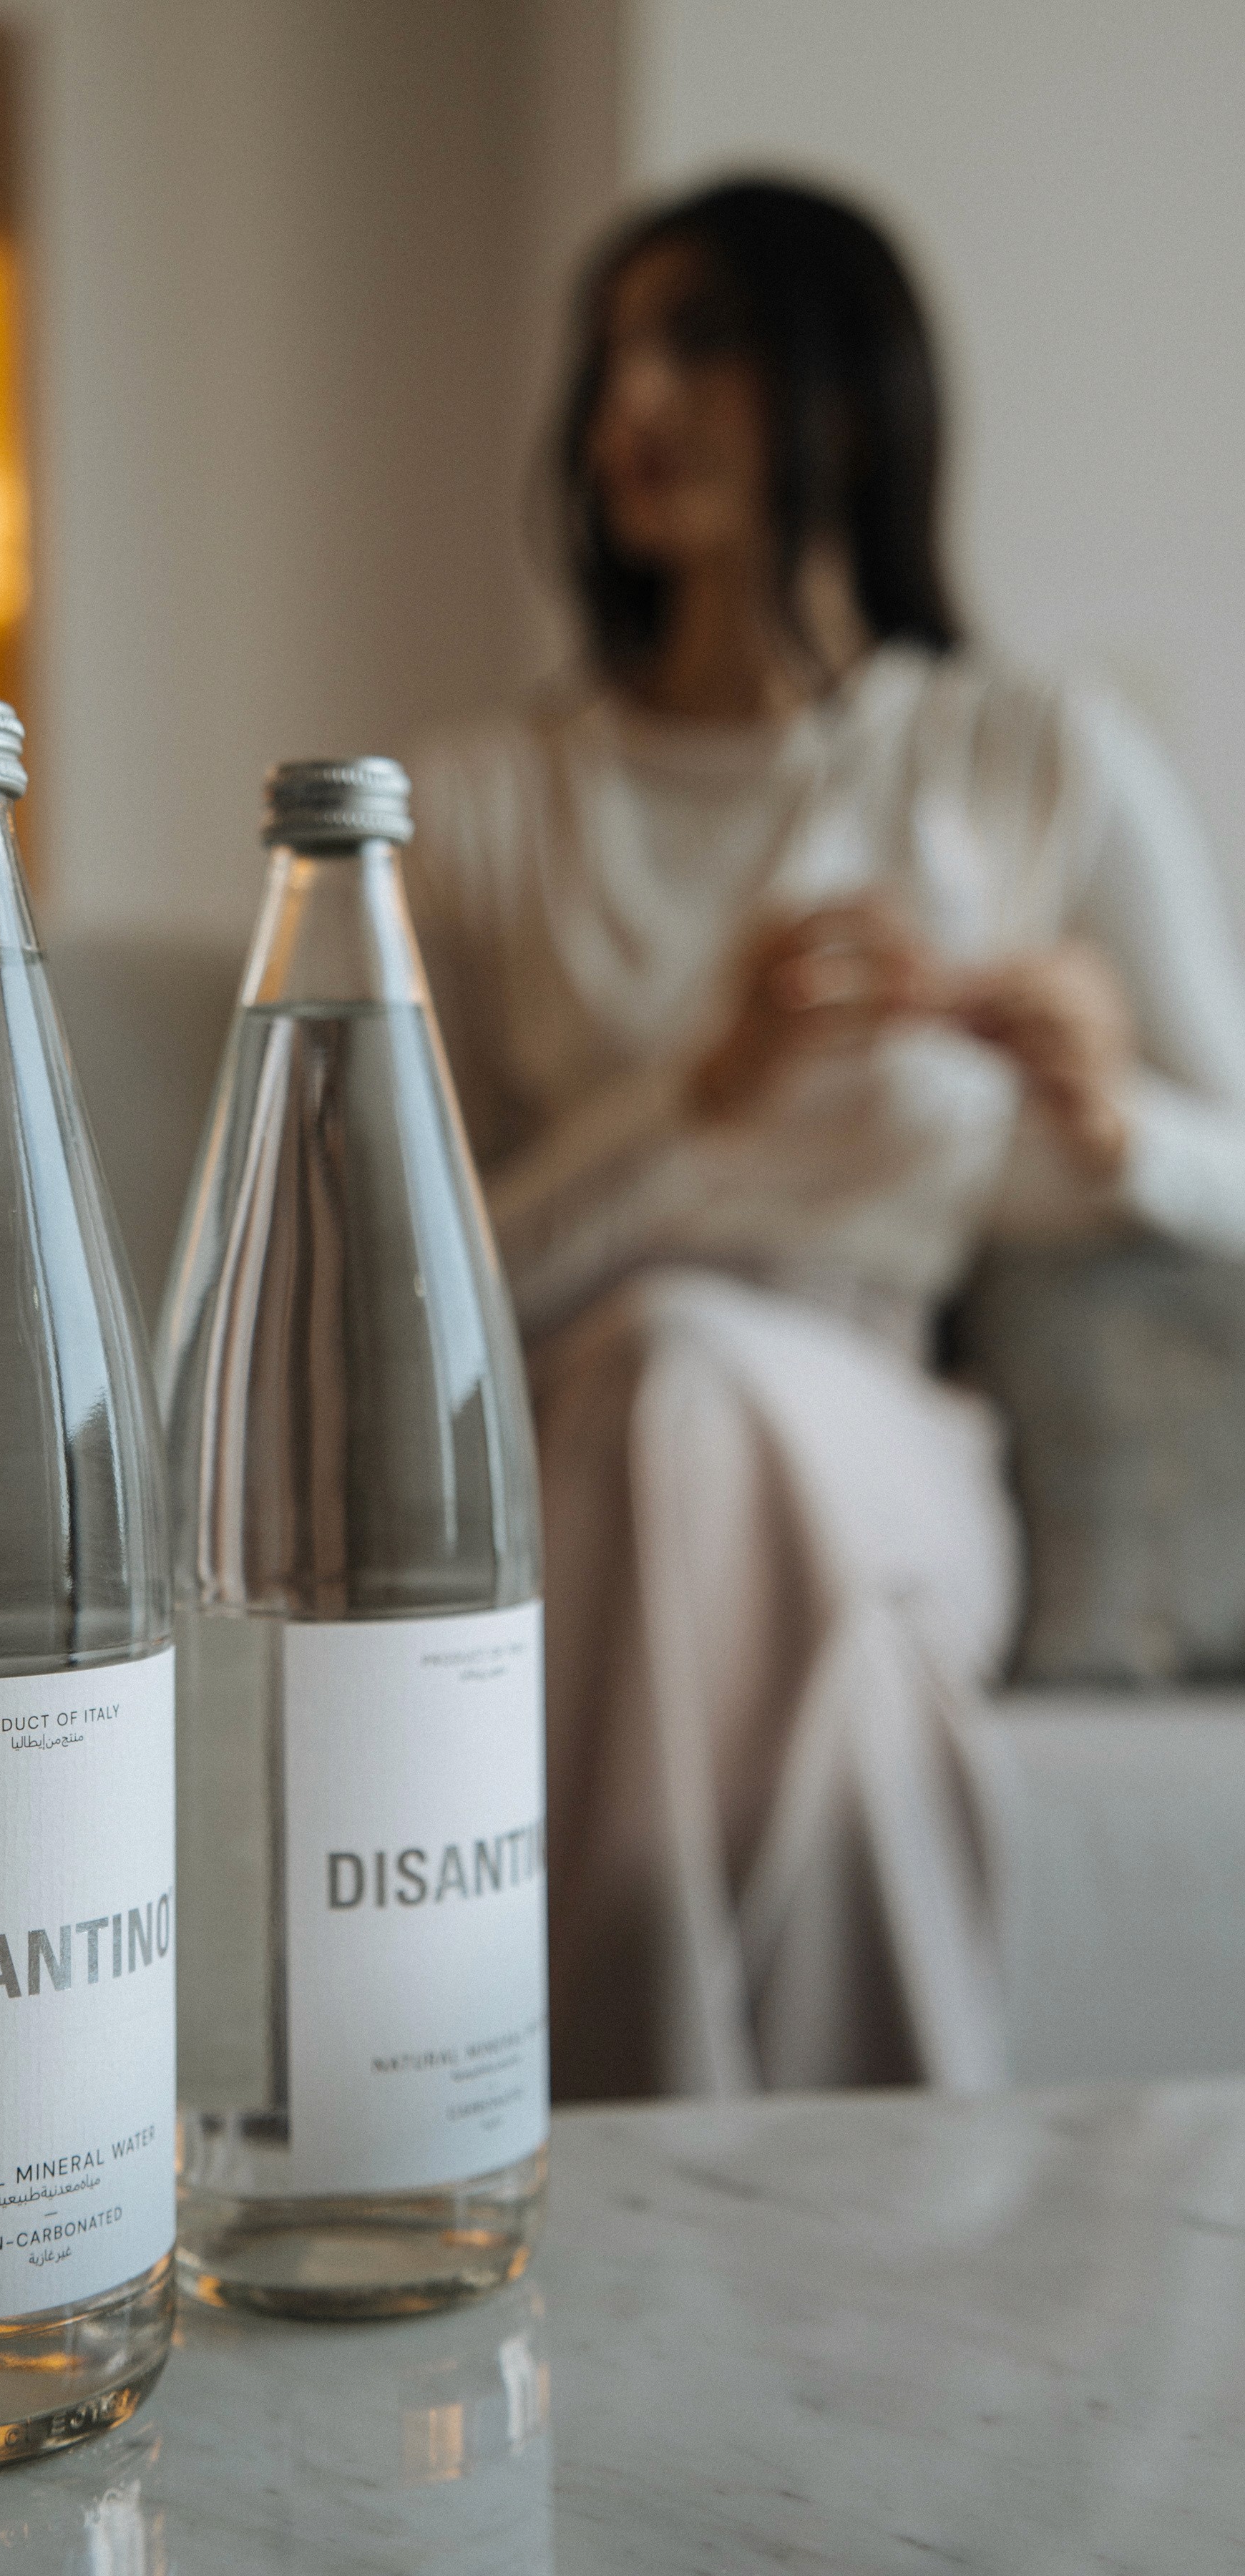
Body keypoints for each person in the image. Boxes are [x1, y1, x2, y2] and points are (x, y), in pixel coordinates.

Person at [405, 177, 1245, 2100]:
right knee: (764, 1544)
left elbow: (1238, 1169)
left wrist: (1116, 1125)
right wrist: (693, 1105)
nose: (632, 396)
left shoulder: (1029, 755)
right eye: (610, 348)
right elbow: (409, 1302)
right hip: (567, 1447)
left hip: (891, 1443)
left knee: (693, 1385)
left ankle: (606, 2194)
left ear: (845, 397)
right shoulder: (472, 807)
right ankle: (871, 2280)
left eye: (698, 338)